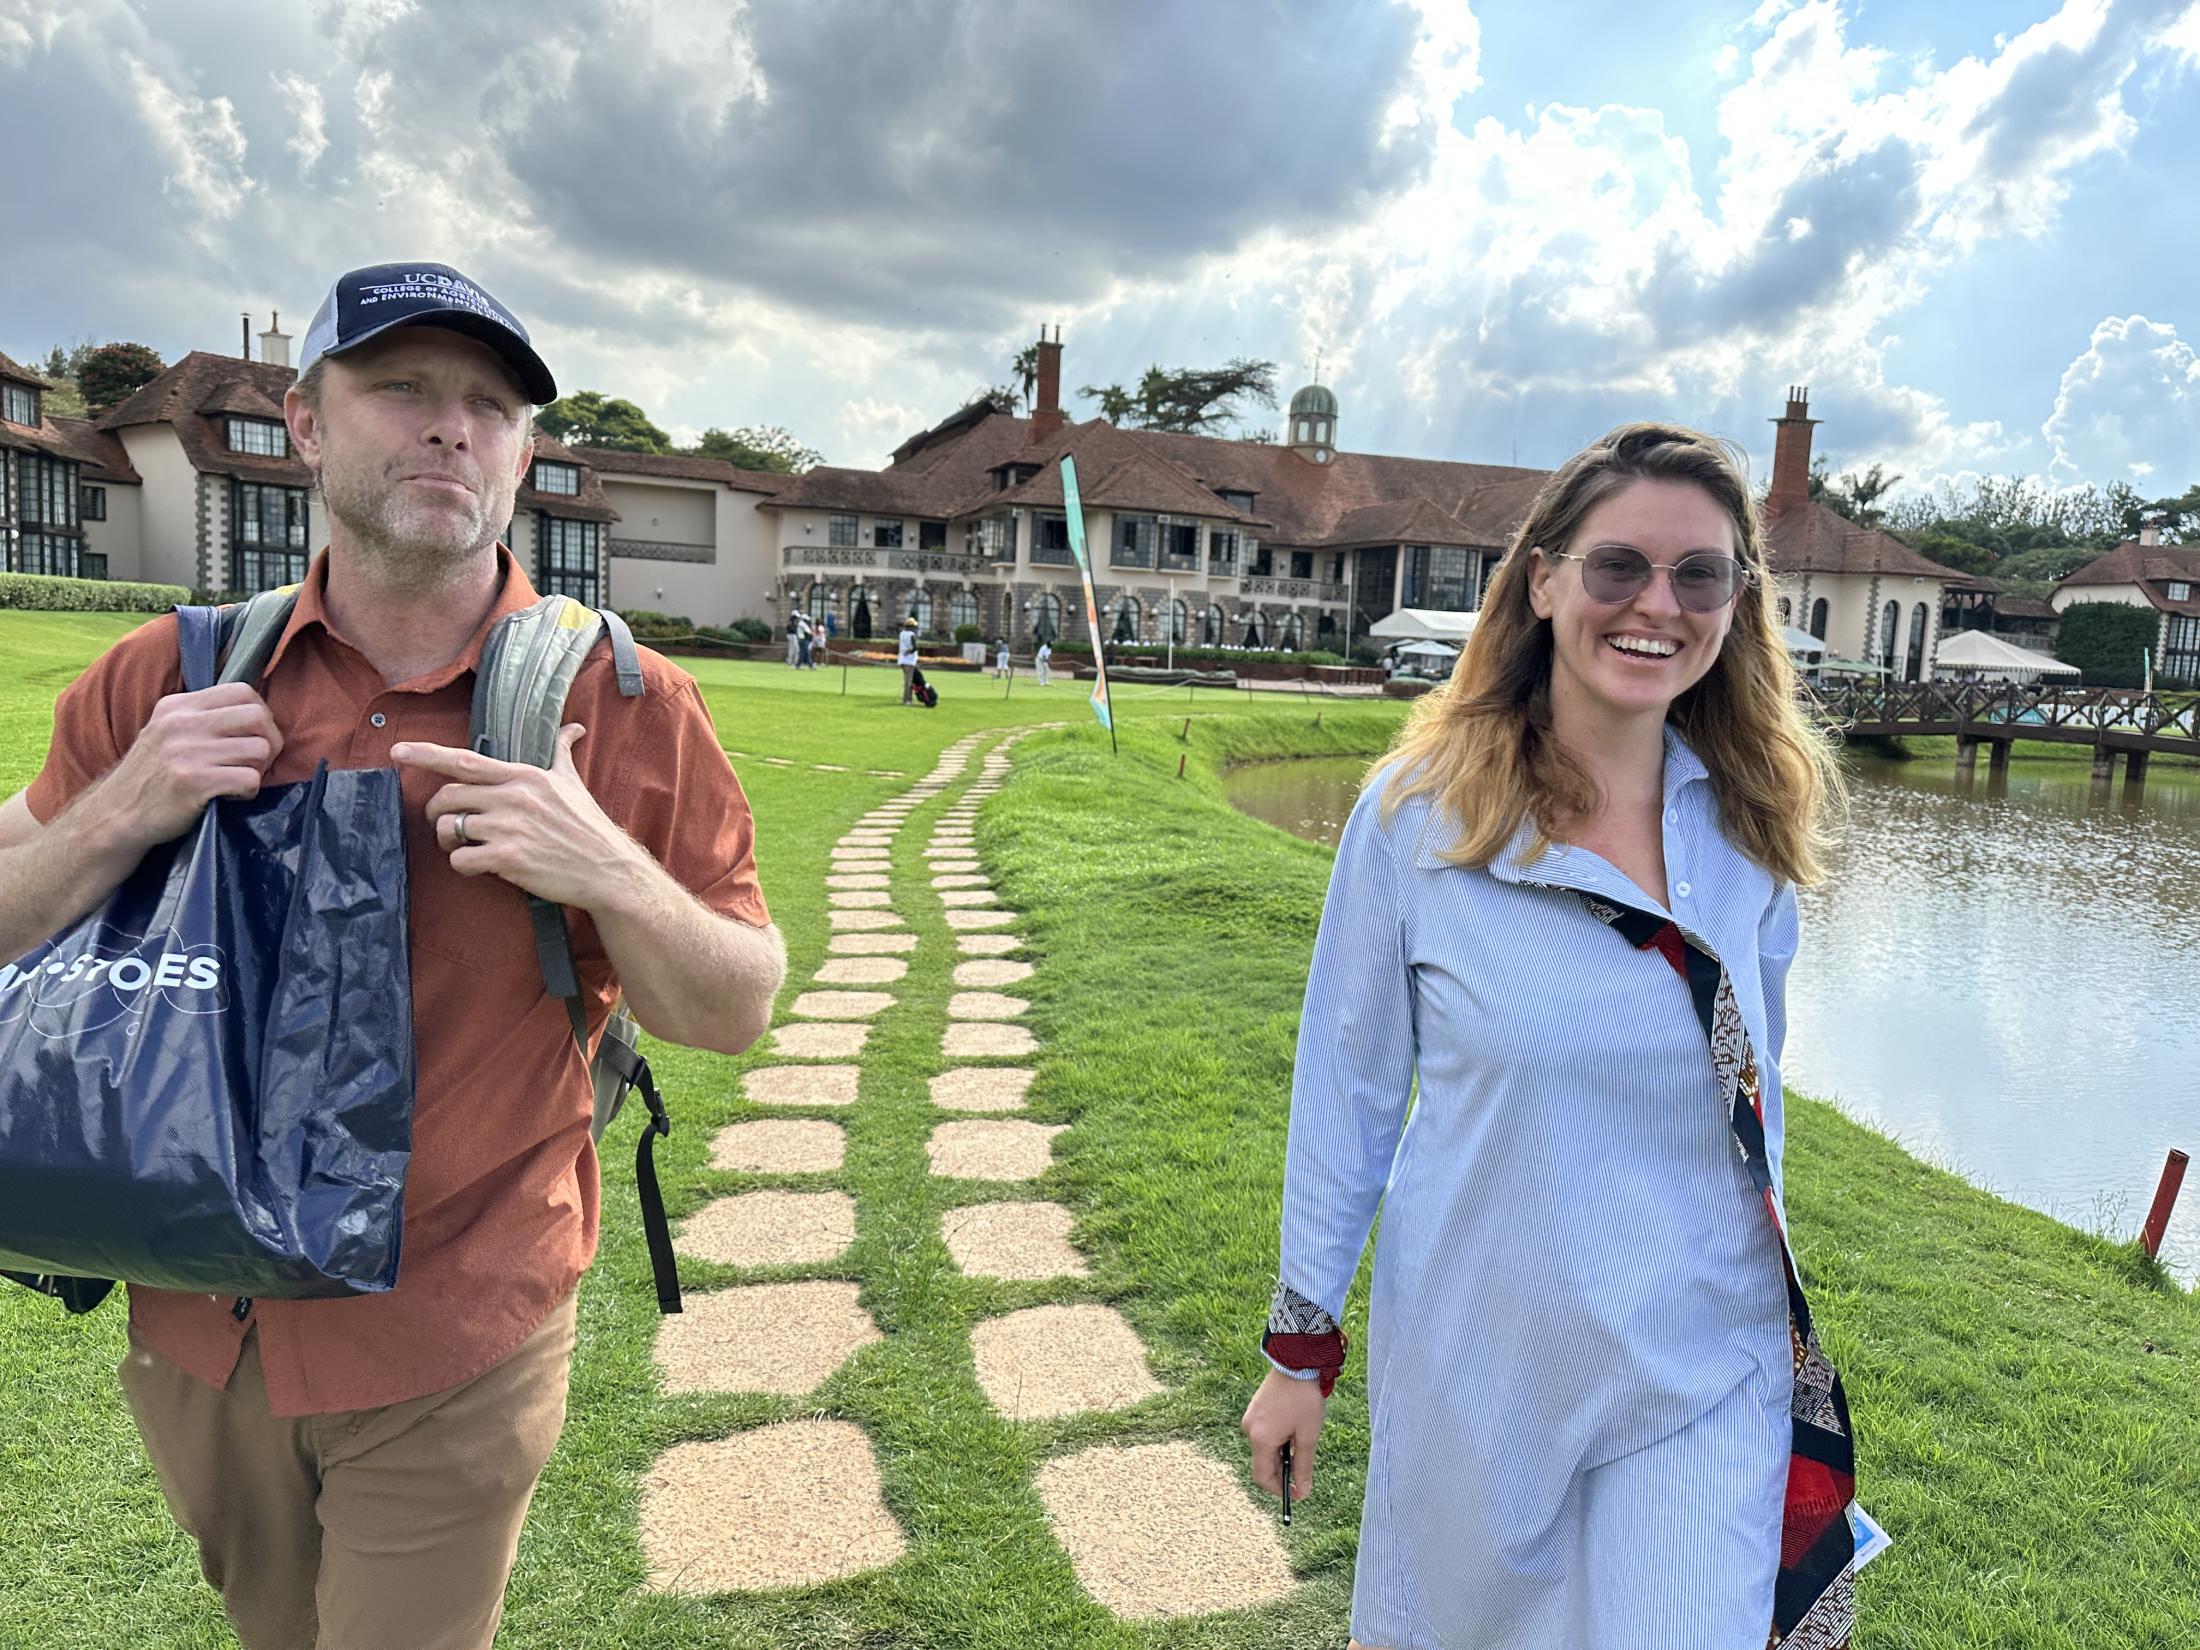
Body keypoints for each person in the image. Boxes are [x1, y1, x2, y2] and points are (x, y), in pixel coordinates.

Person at [0, 260, 789, 1650]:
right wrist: (126, 807)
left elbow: (735, 1000)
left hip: (451, 1325)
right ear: (306, 424)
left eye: (489, 405)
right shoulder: (168, 677)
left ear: (525, 452)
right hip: (198, 1321)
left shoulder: (621, 700)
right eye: (405, 388)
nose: (452, 430)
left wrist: (598, 859)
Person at [1241, 423, 1853, 1649]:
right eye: (1618, 565)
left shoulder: (1753, 825)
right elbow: (1347, 1096)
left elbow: (1754, 1107)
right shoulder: (1419, 820)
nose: (1657, 606)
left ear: (1737, 604)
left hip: (1702, 1356)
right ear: (1543, 579)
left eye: (1700, 576)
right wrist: (1298, 1350)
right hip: (1489, 1359)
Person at [897, 614, 920, 705]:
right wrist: (909, 651)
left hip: (902, 660)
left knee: (907, 680)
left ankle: (908, 698)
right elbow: (915, 648)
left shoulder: (901, 634)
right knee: (908, 681)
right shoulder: (912, 635)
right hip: (909, 661)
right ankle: (907, 700)